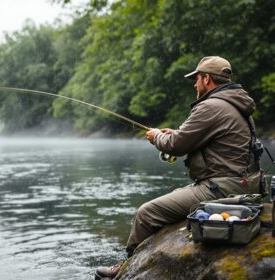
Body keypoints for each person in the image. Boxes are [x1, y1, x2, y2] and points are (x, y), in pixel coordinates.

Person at [95, 56, 263, 280]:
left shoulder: (211, 106)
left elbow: (176, 146)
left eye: (196, 79)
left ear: (206, 79)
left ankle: (127, 268)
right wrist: (174, 133)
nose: (194, 84)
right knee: (174, 196)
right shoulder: (236, 104)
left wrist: (157, 137)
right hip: (246, 183)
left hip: (222, 188)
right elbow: (197, 137)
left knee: (146, 214)